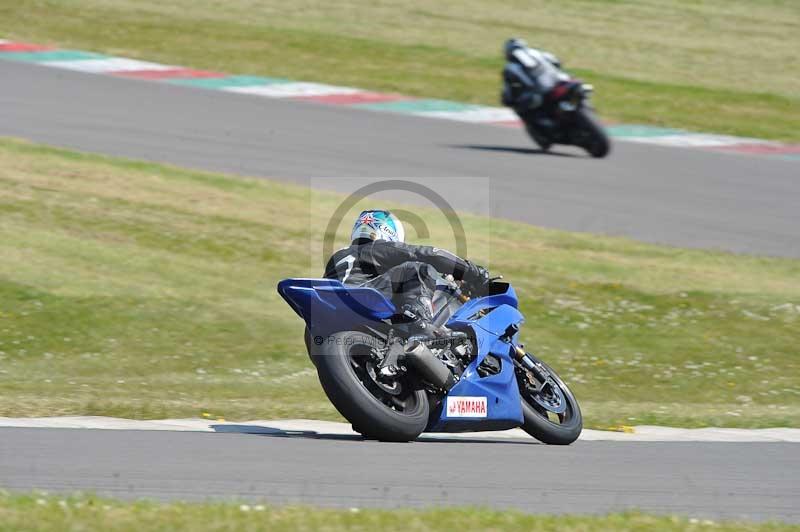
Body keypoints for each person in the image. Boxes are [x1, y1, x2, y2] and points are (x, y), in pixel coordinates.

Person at [324, 209, 489, 334]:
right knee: (419, 268)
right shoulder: (375, 248)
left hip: (331, 312)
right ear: (388, 231)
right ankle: (421, 322)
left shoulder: (338, 256)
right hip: (361, 297)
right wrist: (471, 271)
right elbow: (429, 254)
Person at [501, 37, 569, 116]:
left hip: (540, 91)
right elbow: (557, 62)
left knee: (529, 107)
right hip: (558, 80)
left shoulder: (510, 67)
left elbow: (508, 89)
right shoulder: (536, 52)